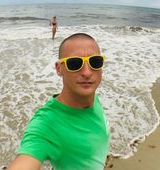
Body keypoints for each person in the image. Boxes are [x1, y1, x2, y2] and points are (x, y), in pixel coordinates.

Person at [8, 33, 110, 170]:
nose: (87, 72)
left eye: (95, 61)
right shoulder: (47, 124)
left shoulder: (89, 93)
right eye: (75, 63)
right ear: (59, 68)